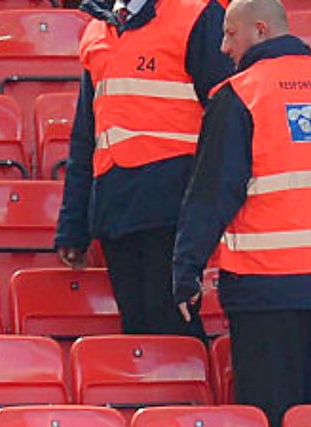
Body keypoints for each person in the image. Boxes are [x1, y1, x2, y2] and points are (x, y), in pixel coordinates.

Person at [173, 0, 311, 427]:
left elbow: (212, 194)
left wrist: (186, 269)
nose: (222, 46)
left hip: (266, 291)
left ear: (259, 31)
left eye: (230, 35)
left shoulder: (239, 95)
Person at [54, 0, 234, 338]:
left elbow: (228, 114)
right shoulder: (97, 29)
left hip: (174, 207)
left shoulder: (196, 14)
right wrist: (73, 225)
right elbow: (85, 135)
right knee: (138, 330)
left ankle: (186, 391)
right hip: (116, 208)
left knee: (172, 327)